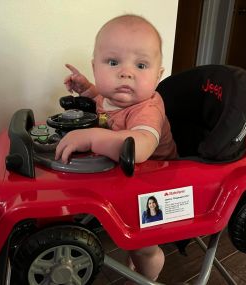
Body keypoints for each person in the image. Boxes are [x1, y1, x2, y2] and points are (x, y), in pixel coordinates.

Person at [55, 14, 178, 283]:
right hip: (124, 180)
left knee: (141, 247)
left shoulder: (148, 109)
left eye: (141, 65)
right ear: (95, 67)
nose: (126, 72)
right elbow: (100, 99)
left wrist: (92, 138)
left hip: (156, 186)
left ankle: (148, 274)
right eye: (113, 62)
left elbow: (140, 147)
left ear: (158, 76)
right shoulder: (110, 96)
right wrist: (86, 89)